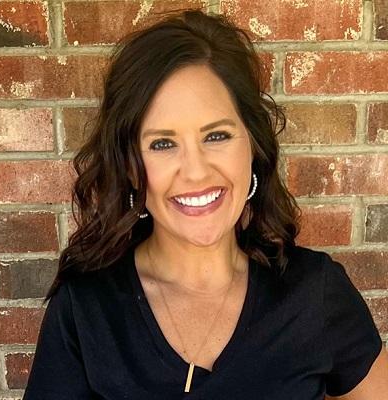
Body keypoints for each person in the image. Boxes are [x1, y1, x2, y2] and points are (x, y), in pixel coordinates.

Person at [23, 8, 388, 400]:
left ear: (253, 144)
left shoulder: (316, 293)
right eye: (162, 143)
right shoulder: (87, 310)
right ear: (130, 167)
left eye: (216, 136)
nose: (195, 172)